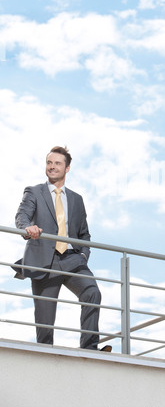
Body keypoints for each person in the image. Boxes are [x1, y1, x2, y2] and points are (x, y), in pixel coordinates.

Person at [14, 146, 111, 352]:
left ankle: (90, 348)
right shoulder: (34, 192)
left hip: (73, 260)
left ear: (67, 168)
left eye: (57, 163)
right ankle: (45, 355)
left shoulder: (76, 199)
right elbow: (22, 215)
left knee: (92, 292)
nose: (52, 167)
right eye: (49, 163)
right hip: (45, 262)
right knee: (45, 318)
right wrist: (26, 227)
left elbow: (84, 234)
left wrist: (83, 255)